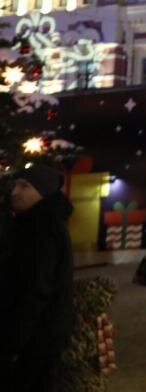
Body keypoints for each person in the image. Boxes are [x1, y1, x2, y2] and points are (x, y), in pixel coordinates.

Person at [0, 164, 74, 391]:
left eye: (24, 186)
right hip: (41, 336)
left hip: (34, 339)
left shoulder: (40, 229)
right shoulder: (31, 223)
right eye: (15, 185)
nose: (14, 192)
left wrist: (14, 342)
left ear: (43, 192)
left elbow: (36, 290)